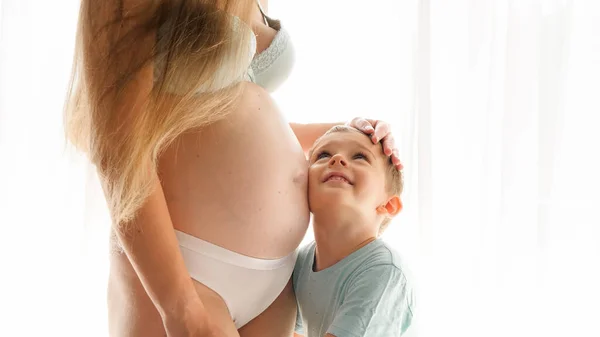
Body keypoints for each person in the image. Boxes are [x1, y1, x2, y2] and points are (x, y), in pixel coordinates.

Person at [64, 0, 403, 336]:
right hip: (183, 266)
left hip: (276, 285)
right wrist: (179, 304)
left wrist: (356, 134)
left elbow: (230, 115)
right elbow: (115, 143)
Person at [293, 125, 414, 337]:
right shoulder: (302, 261)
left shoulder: (384, 271)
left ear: (388, 205)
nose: (337, 159)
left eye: (359, 156)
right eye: (323, 155)